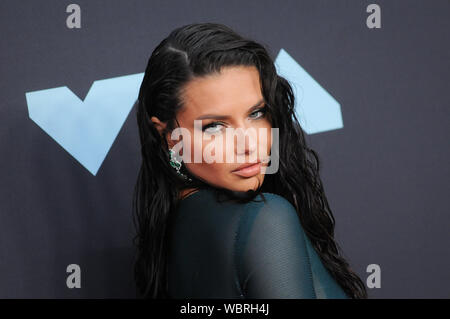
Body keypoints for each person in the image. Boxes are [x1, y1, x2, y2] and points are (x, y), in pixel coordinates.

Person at [132, 22, 367, 299]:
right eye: (214, 126)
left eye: (256, 113)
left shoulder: (175, 229)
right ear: (169, 137)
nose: (249, 144)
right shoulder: (266, 218)